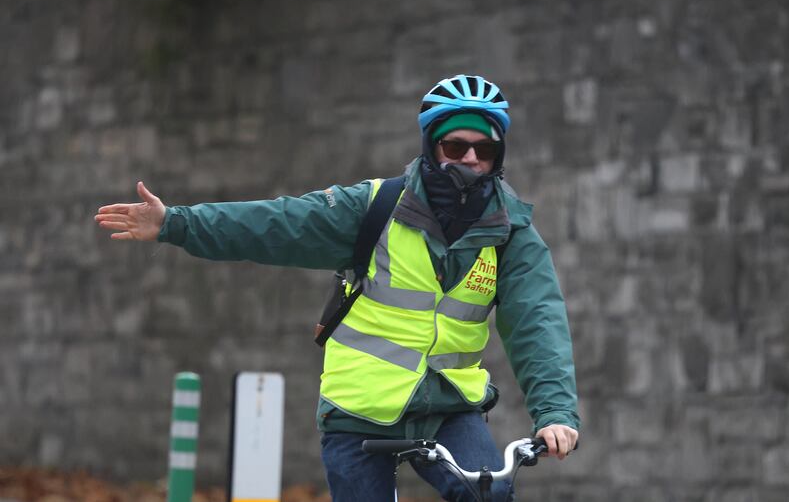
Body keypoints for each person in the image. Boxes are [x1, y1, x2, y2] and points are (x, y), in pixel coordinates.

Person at [95, 74, 580, 501]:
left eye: (485, 149)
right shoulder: (374, 207)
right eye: (456, 147)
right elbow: (272, 225)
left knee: (490, 494)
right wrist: (175, 223)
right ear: (432, 148)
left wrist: (555, 412)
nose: (470, 159)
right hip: (357, 410)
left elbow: (538, 320)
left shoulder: (512, 232)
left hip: (450, 406)